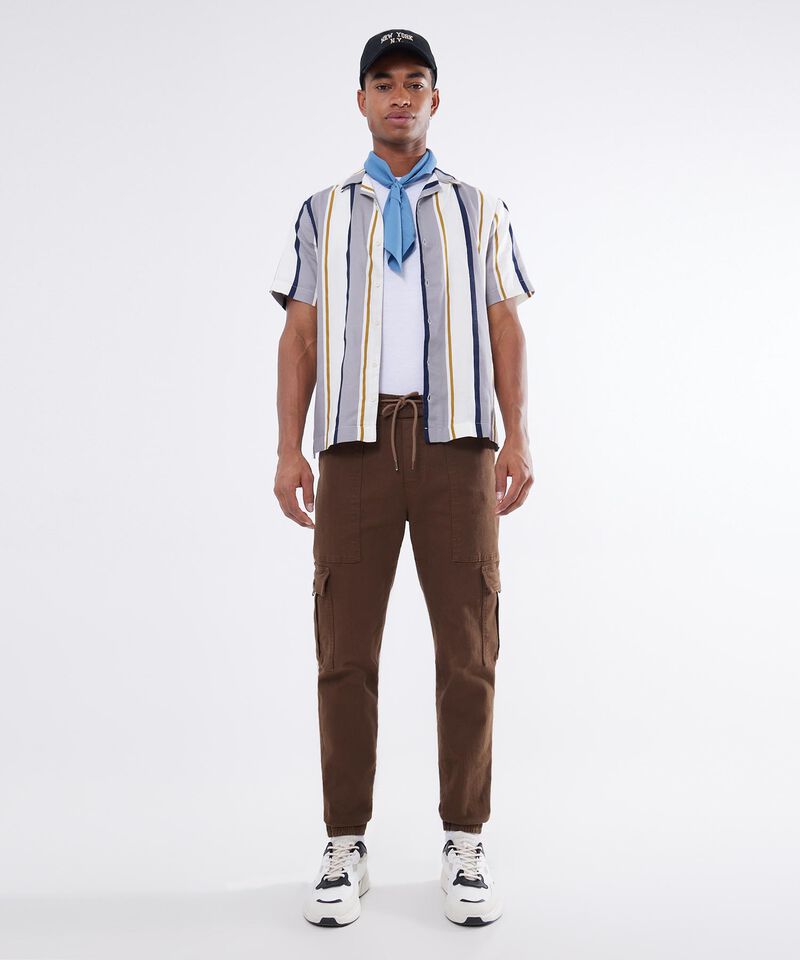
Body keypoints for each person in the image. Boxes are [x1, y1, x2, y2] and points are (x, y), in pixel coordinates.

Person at [269, 28, 536, 927]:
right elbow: (300, 334)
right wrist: (287, 448)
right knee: (344, 651)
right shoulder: (322, 211)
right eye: (383, 83)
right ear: (361, 101)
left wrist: (519, 436)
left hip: (457, 442)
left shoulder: (479, 208)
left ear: (434, 100)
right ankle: (345, 843)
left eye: (415, 83)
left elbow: (505, 324)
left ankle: (465, 840)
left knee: (468, 648)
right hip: (353, 446)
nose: (399, 97)